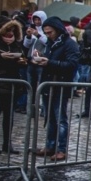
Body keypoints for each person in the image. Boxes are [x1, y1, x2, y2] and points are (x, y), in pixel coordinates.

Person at [33, 17, 79, 161]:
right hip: (49, 84)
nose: (48, 35)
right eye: (46, 33)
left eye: (50, 32)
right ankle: (50, 145)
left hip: (60, 85)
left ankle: (61, 149)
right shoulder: (50, 44)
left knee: (60, 118)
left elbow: (71, 65)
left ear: (58, 30)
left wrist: (50, 63)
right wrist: (40, 58)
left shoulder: (69, 44)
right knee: (50, 117)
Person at [0, 17, 27, 154]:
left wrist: (23, 61)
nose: (10, 33)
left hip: (12, 84)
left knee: (9, 116)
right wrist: (0, 57)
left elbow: (23, 57)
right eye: (7, 30)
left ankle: (7, 143)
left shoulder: (16, 44)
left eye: (12, 30)